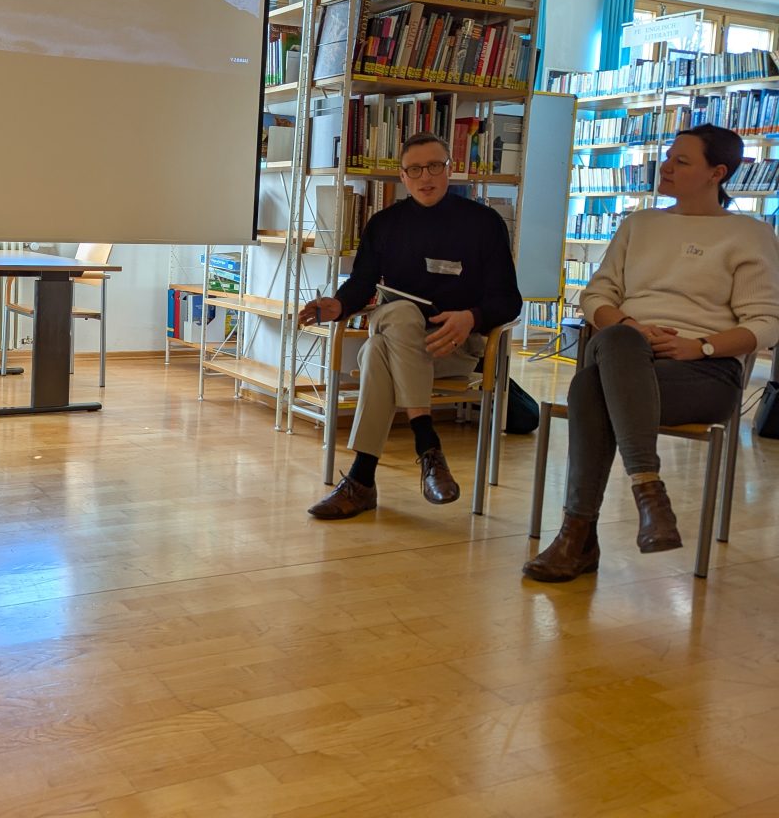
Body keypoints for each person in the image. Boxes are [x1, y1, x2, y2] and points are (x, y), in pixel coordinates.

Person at [524, 124, 779, 582]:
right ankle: (648, 491)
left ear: (717, 173)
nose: (666, 167)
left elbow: (766, 323)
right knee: (616, 342)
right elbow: (595, 296)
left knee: (589, 388)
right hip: (627, 356)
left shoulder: (750, 234)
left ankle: (577, 538)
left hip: (704, 373)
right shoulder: (638, 225)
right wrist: (631, 326)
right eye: (668, 157)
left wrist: (699, 346)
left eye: (682, 161)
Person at [296, 131, 522, 519]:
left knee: (376, 352)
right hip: (399, 328)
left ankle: (361, 481)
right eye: (414, 169)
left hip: (451, 347)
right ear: (402, 176)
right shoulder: (385, 224)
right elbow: (362, 284)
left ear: (450, 168)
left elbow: (509, 300)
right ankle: (426, 444)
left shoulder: (484, 224)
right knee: (401, 313)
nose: (425, 177)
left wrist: (472, 317)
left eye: (434, 166)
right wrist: (339, 305)